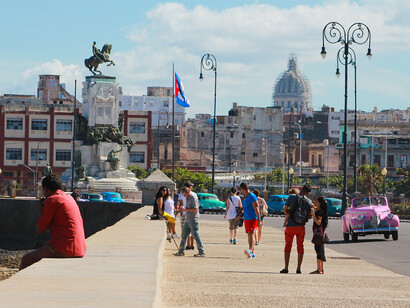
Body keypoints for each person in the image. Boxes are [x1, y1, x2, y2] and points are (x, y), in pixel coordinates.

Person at [19, 175, 86, 270]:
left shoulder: (52, 200)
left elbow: (40, 230)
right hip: (80, 248)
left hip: (64, 247)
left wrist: (41, 210)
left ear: (45, 189)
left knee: (26, 260)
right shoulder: (69, 197)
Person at [280, 183, 312, 274]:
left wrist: (289, 215)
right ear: (308, 193)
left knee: (288, 246)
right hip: (301, 227)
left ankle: (286, 268)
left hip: (290, 226)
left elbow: (285, 210)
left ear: (301, 188)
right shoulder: (308, 201)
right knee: (300, 247)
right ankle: (298, 268)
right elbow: (309, 217)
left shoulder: (292, 197)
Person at [174, 186, 205, 257]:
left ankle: (201, 252)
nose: (184, 196)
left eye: (185, 195)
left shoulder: (192, 197)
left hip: (193, 219)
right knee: (184, 235)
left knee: (196, 235)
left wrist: (185, 209)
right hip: (188, 219)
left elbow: (195, 209)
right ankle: (181, 251)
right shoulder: (189, 196)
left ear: (188, 192)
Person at [239, 183, 260, 259]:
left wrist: (259, 219)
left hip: (253, 218)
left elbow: (257, 208)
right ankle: (252, 252)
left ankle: (250, 250)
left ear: (243, 189)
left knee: (252, 234)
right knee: (249, 234)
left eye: (241, 189)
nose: (241, 191)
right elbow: (243, 208)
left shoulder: (252, 196)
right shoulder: (245, 197)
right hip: (247, 218)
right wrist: (239, 215)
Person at [310, 197, 328, 274]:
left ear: (319, 203)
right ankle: (321, 269)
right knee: (320, 250)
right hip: (320, 232)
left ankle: (319, 269)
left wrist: (314, 215)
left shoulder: (320, 212)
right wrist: (314, 208)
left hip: (319, 233)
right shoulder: (321, 211)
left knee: (318, 250)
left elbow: (319, 222)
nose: (315, 202)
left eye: (316, 201)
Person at [178, 182, 195, 250]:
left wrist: (181, 214)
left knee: (185, 231)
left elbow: (180, 204)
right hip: (192, 214)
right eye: (191, 186)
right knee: (192, 230)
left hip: (184, 214)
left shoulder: (181, 195)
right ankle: (192, 245)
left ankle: (187, 245)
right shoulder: (193, 194)